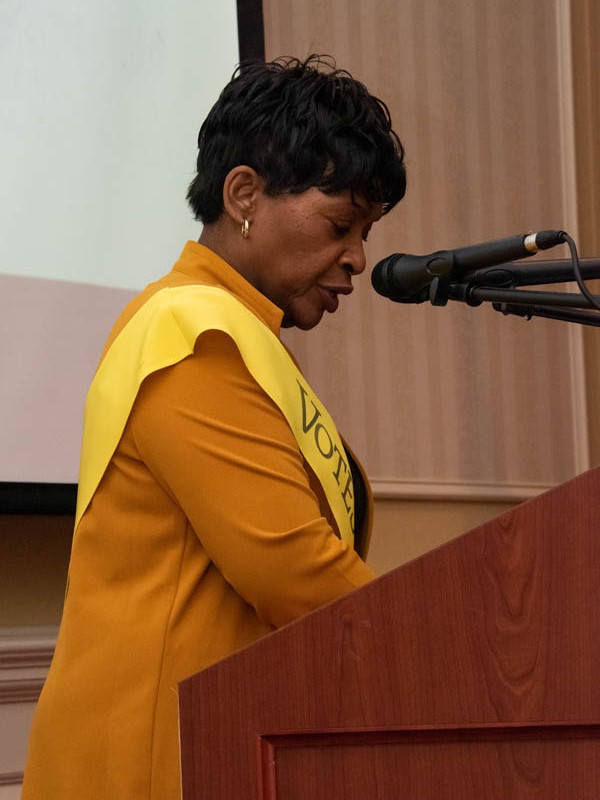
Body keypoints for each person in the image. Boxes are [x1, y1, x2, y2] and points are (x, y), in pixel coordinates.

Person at [22, 55, 407, 799]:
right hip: (152, 758)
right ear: (244, 194)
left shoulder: (237, 331)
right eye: (340, 224)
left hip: (211, 738)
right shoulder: (192, 331)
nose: (358, 258)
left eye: (365, 232)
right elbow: (292, 570)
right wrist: (445, 655)